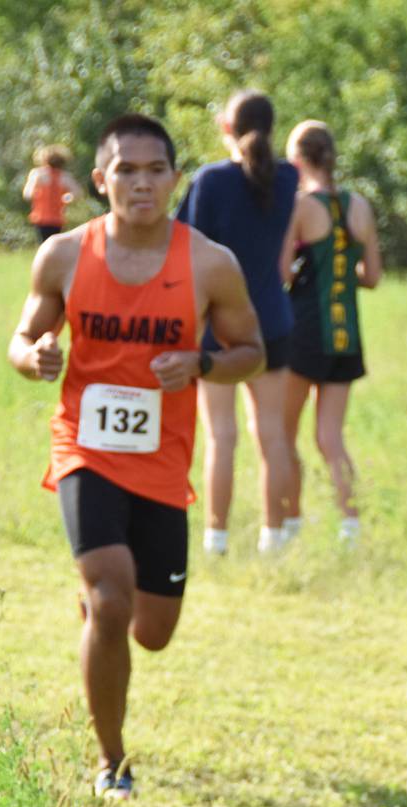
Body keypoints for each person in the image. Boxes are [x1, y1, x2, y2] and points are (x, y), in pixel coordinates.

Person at [8, 114, 264, 798]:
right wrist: (34, 356)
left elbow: (251, 353)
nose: (141, 183)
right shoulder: (63, 255)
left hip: (161, 460)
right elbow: (23, 336)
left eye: (155, 170)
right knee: (112, 599)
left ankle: (101, 610)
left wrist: (203, 361)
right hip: (83, 448)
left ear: (174, 179)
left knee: (151, 630)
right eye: (126, 170)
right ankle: (111, 762)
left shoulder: (210, 262)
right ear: (100, 180)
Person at [175, 90, 299, 554]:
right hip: (273, 320)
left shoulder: (209, 180)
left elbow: (183, 241)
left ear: (226, 126)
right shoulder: (287, 177)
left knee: (220, 437)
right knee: (272, 435)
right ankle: (273, 537)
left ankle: (216, 537)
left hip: (218, 326)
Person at [280, 120, 383, 545]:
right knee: (330, 438)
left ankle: (288, 522)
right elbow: (372, 276)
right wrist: (339, 273)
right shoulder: (358, 204)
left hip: (303, 333)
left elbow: (282, 271)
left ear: (298, 160)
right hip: (346, 338)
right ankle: (350, 525)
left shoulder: (301, 205)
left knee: (282, 434)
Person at [22, 145, 84, 243]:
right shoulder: (65, 177)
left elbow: (27, 194)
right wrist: (66, 198)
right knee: (55, 244)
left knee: (43, 245)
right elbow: (78, 193)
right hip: (57, 219)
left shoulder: (38, 174)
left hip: (41, 218)